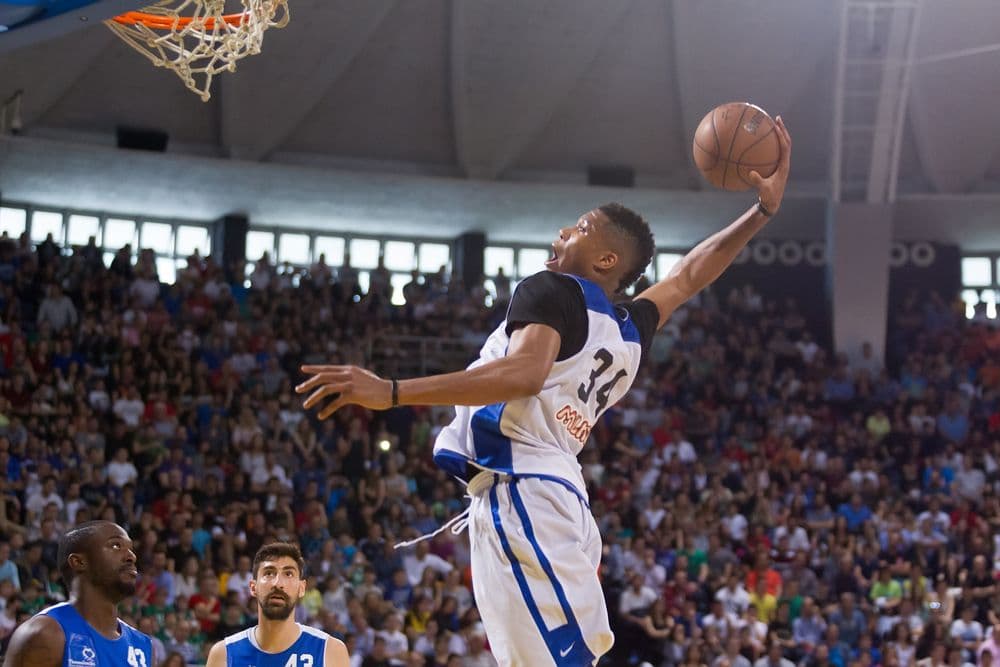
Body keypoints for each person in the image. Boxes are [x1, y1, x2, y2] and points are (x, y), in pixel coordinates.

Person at [297, 119, 792, 665]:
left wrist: (390, 391)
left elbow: (524, 374)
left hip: (524, 488)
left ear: (606, 261)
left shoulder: (552, 289)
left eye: (579, 228)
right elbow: (688, 277)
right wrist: (761, 213)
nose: (563, 233)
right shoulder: (629, 328)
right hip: (551, 492)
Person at [2, 520, 153, 667]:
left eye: (131, 548)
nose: (131, 556)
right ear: (78, 561)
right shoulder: (45, 633)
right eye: (116, 545)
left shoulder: (142, 645)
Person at [206, 541, 349, 667]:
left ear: (302, 588)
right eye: (269, 573)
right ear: (253, 587)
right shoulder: (223, 655)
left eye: (288, 574)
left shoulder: (329, 651)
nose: (278, 583)